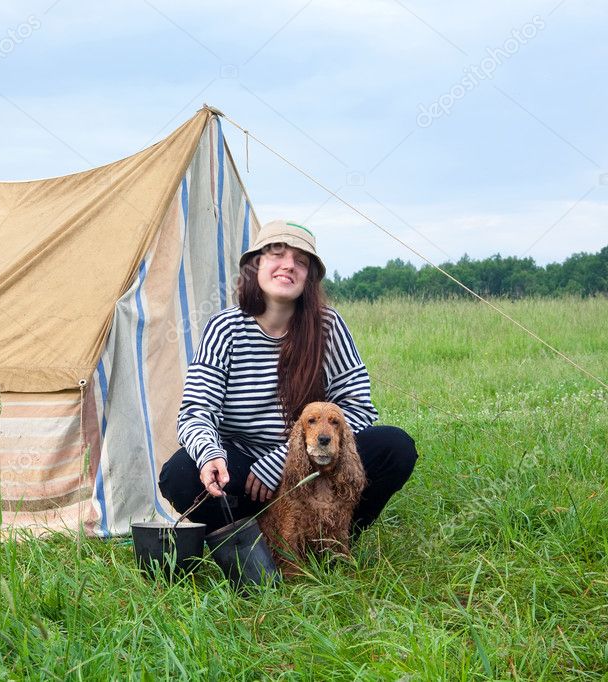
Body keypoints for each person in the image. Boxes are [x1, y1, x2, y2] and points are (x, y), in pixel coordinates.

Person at [158, 219, 418, 535]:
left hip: (315, 465)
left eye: (301, 261)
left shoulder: (328, 326)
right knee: (180, 473)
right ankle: (250, 543)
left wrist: (286, 459)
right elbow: (196, 413)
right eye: (276, 255)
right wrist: (210, 454)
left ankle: (331, 539)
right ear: (256, 266)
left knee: (394, 447)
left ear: (309, 277)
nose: (288, 266)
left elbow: (359, 409)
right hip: (246, 472)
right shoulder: (224, 328)